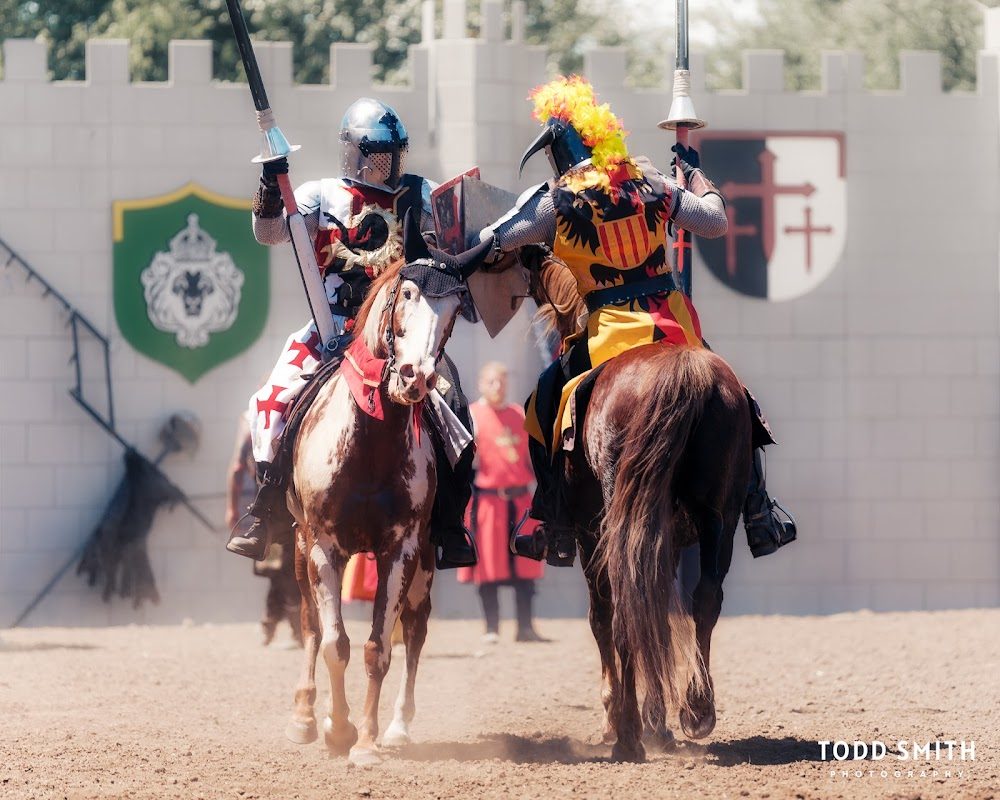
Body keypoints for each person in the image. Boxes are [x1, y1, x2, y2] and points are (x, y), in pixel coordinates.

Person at [453, 76, 796, 566]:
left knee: (544, 402)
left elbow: (501, 237)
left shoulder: (557, 200)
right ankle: (760, 511)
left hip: (609, 333)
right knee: (737, 398)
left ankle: (553, 520)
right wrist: (694, 177)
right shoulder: (652, 181)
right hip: (675, 324)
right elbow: (714, 221)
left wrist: (466, 250)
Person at [226, 97, 477, 570]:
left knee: (456, 409)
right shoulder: (323, 195)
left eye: (397, 153)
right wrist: (268, 181)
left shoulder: (420, 197)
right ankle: (269, 505)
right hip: (332, 326)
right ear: (357, 153)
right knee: (272, 403)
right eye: (383, 154)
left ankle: (448, 520)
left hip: (401, 334)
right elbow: (270, 232)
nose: (393, 163)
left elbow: (452, 247)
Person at [458, 362, 547, 643]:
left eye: (502, 382)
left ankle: (525, 628)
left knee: (526, 565)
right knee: (488, 568)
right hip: (488, 503)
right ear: (482, 384)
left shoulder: (519, 414)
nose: (498, 387)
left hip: (520, 500)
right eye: (492, 382)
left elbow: (530, 460)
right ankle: (491, 628)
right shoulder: (472, 416)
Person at [225, 413, 302, 646]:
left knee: (283, 569)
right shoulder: (256, 421)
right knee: (283, 569)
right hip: (273, 507)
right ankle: (292, 625)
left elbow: (238, 469)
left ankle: (273, 622)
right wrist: (231, 508)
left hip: (286, 503)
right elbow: (238, 468)